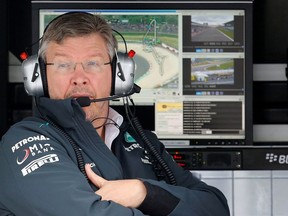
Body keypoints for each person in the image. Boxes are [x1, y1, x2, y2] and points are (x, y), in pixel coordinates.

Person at [0, 11, 230, 216]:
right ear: (39, 78)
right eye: (62, 65)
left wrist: (144, 193)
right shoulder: (23, 141)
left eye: (93, 63)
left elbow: (215, 207)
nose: (79, 77)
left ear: (119, 75)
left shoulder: (143, 142)